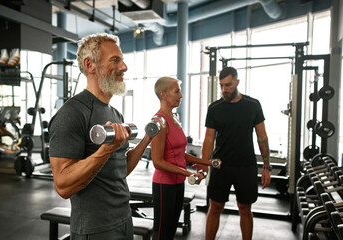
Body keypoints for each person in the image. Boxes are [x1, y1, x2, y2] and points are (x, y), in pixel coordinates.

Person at [49, 33, 154, 240]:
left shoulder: (115, 114)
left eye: (122, 60)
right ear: (90, 65)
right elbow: (62, 185)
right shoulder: (72, 113)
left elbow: (119, 169)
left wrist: (147, 138)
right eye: (115, 60)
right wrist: (105, 149)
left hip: (124, 218)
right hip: (95, 228)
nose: (124, 67)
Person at [201, 67, 271, 240]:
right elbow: (209, 139)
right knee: (215, 207)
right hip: (221, 165)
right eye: (222, 86)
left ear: (237, 82)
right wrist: (203, 165)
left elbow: (262, 137)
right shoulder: (215, 108)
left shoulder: (253, 105)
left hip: (245, 166)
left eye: (229, 85)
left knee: (245, 209)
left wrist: (267, 166)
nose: (225, 89)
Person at [150, 76, 221, 240]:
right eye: (177, 91)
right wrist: (188, 173)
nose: (180, 95)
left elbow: (180, 154)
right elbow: (158, 162)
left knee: (172, 229)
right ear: (163, 94)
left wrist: (208, 162)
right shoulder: (158, 122)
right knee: (161, 233)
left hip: (178, 184)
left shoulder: (174, 119)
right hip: (164, 185)